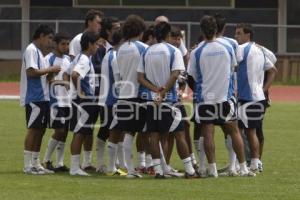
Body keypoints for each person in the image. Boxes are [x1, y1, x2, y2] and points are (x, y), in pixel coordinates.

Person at [187, 16, 255, 177]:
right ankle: (243, 167)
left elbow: (193, 76)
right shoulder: (228, 47)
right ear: (217, 29)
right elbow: (234, 68)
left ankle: (212, 169)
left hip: (205, 99)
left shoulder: (197, 51)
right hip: (225, 97)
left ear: (202, 30)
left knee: (208, 133)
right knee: (234, 132)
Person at [138, 21, 197, 179]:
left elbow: (140, 77)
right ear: (167, 34)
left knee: (155, 135)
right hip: (169, 101)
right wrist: (163, 91)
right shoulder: (173, 51)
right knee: (179, 134)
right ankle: (190, 170)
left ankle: (158, 171)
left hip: (152, 99)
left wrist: (155, 90)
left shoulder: (147, 51)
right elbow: (175, 73)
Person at [107, 15, 147, 178]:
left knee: (127, 132)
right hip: (138, 95)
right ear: (140, 31)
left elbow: (118, 76)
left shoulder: (120, 49)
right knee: (145, 132)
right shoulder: (143, 48)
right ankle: (157, 167)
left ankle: (129, 169)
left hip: (123, 95)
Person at [234, 23, 277, 173]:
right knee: (252, 131)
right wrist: (264, 89)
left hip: (246, 97)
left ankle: (241, 165)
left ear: (248, 35)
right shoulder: (260, 50)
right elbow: (273, 70)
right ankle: (255, 162)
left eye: (239, 33)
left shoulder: (241, 49)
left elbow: (230, 64)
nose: (236, 36)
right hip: (258, 97)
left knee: (240, 131)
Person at [20, 24, 61, 174]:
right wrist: (50, 69)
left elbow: (43, 75)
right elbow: (31, 72)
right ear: (41, 36)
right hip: (34, 97)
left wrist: (51, 74)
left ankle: (36, 163)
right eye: (49, 38)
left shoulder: (41, 54)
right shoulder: (31, 50)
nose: (51, 42)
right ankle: (27, 165)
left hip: (43, 97)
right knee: (33, 130)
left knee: (41, 130)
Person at [68, 9, 104, 171]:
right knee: (80, 132)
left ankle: (77, 166)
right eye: (96, 44)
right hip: (84, 101)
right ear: (89, 44)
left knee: (81, 131)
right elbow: (75, 75)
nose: (98, 47)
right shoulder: (84, 59)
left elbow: (67, 72)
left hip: (79, 100)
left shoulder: (79, 57)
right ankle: (75, 168)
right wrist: (81, 93)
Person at [42, 32, 71, 172]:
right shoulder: (49, 59)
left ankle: (59, 163)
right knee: (59, 130)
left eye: (67, 44)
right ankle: (46, 160)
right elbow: (47, 79)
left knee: (65, 131)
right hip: (55, 100)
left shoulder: (68, 59)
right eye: (63, 44)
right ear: (56, 44)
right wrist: (63, 82)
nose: (66, 47)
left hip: (67, 101)